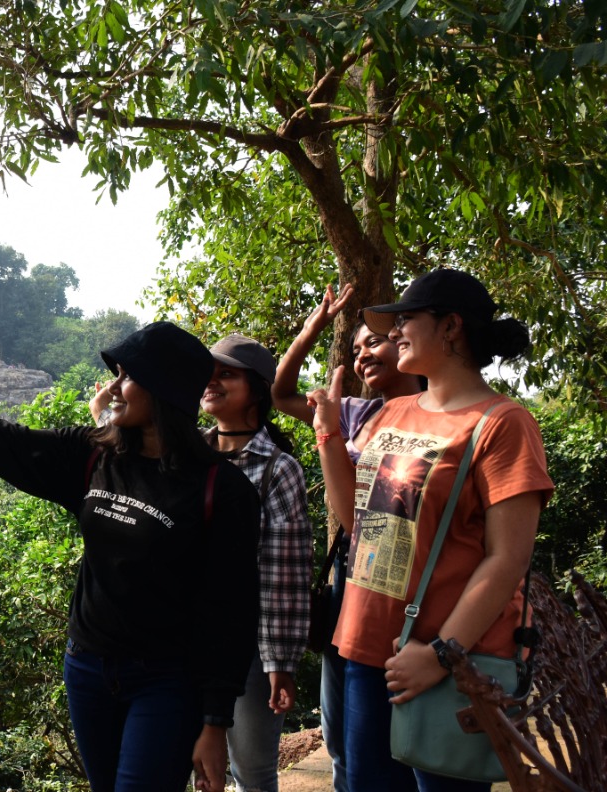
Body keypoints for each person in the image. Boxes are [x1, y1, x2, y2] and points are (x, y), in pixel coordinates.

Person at [0, 321, 261, 791]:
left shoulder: (222, 489)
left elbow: (231, 612)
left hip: (167, 682)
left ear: (164, 389)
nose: (113, 388)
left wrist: (215, 723)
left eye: (127, 377)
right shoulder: (94, 456)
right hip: (88, 670)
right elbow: (0, 440)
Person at [308, 269, 554, 792]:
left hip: (446, 659)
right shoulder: (391, 413)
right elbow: (361, 527)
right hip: (366, 643)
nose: (394, 332)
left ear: (451, 326)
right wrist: (328, 435)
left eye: (406, 319)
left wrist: (443, 654)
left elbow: (508, 557)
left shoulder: (503, 423)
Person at [271, 283, 425, 792]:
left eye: (374, 342)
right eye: (356, 349)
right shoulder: (357, 413)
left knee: (401, 721)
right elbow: (281, 393)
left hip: (410, 573)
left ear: (406, 344)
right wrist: (314, 327)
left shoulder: (440, 417)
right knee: (343, 720)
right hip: (353, 569)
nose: (362, 356)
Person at [202, 333, 313, 792]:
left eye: (226, 374)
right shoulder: (189, 455)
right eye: (208, 374)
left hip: (249, 646)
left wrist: (279, 662)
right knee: (189, 764)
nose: (211, 383)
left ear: (258, 390)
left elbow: (283, 575)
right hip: (186, 637)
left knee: (250, 770)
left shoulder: (278, 469)